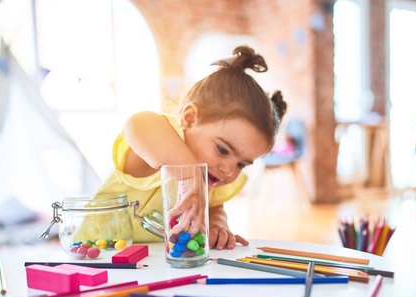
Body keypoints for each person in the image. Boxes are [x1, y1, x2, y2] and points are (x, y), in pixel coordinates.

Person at [95, 45, 287, 250]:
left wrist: (217, 224)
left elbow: (215, 207)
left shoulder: (213, 179)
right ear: (189, 118)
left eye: (241, 164)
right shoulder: (159, 144)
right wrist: (189, 176)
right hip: (97, 254)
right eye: (222, 149)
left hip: (154, 266)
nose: (228, 170)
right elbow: (137, 124)